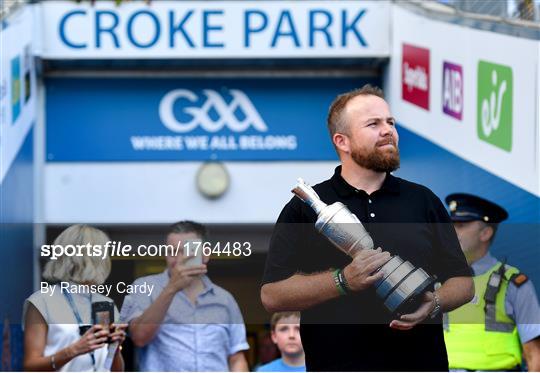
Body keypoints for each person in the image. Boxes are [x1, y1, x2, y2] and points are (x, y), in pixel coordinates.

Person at [260, 84, 474, 371]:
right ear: (342, 141)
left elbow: (463, 282)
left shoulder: (423, 201)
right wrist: (343, 280)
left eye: (390, 122)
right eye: (373, 124)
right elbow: (272, 295)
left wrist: (434, 302)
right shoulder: (305, 209)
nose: (388, 131)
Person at [121, 221, 249, 371]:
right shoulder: (144, 286)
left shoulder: (225, 299)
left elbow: (236, 358)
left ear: (205, 255)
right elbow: (139, 337)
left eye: (186, 251)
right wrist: (171, 288)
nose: (178, 259)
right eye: (172, 252)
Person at [444, 193, 540, 371]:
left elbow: (535, 355)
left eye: (460, 225)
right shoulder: (436, 280)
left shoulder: (513, 282)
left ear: (486, 233)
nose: (451, 231)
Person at [23, 225, 127, 371]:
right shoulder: (41, 302)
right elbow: (30, 367)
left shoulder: (105, 303)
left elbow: (117, 370)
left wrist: (115, 348)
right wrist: (74, 350)